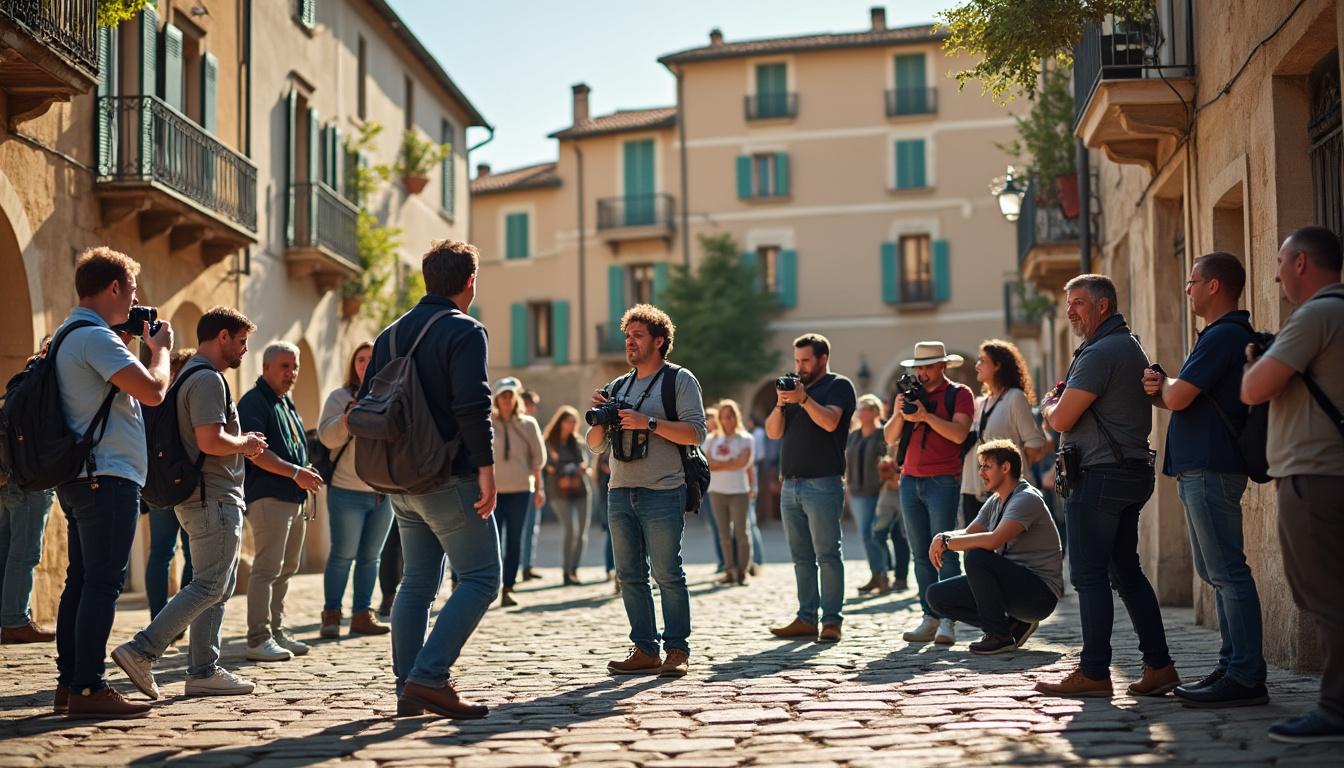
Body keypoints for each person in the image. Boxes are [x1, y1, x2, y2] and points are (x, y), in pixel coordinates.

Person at [359, 240, 497, 720]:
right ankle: (430, 676)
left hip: (401, 481)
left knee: (415, 582)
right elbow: (472, 406)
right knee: (481, 578)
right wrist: (486, 469)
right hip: (448, 476)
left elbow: (369, 406)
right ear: (469, 282)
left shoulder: (389, 335)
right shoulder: (465, 331)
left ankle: (407, 689)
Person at [1035, 274, 1179, 698]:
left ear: (1102, 306)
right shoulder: (1127, 344)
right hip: (1127, 471)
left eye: (1077, 302)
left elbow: (1060, 420)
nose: (1070, 311)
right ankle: (1160, 665)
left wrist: (1048, 405)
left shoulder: (1101, 353)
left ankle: (1095, 672)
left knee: (1089, 574)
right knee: (1125, 571)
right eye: (1068, 304)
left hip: (1099, 476)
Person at [112, 307, 265, 701]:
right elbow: (209, 441)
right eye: (242, 341)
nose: (244, 350)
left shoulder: (193, 377)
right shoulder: (208, 380)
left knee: (218, 584)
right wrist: (245, 444)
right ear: (222, 337)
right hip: (211, 498)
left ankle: (203, 670)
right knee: (209, 583)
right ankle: (142, 650)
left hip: (208, 497)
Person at [52, 247, 174, 718]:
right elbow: (154, 390)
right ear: (114, 288)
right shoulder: (95, 338)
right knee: (102, 583)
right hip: (107, 476)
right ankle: (88, 687)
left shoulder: (68, 333)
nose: (136, 300)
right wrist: (159, 350)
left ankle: (70, 683)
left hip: (84, 477)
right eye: (132, 290)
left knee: (81, 581)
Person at [1144, 252, 1267, 709]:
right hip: (1203, 466)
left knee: (1228, 574)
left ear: (1214, 286)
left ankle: (1246, 675)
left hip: (1212, 468)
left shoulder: (1223, 335)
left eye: (1193, 281)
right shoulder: (1222, 335)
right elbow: (1181, 399)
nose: (1188, 288)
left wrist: (1163, 384)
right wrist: (1167, 391)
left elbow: (1179, 395)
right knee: (1217, 574)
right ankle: (1232, 663)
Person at [1242, 226, 1344, 744]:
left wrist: (1258, 360)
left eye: (1281, 261)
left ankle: (1335, 709)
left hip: (1314, 476)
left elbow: (1253, 389)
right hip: (1330, 470)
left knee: (1325, 595)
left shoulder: (1315, 315)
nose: (1277, 272)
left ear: (1302, 263)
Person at [586, 304, 705, 678]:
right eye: (627, 336)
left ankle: (677, 649)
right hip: (620, 491)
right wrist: (600, 417)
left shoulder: (679, 380)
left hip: (662, 490)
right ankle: (644, 648)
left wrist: (648, 422)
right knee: (630, 575)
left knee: (668, 573)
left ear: (659, 341)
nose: (629, 342)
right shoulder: (617, 386)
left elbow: (696, 433)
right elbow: (594, 445)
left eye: (637, 336)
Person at [926, 439, 1063, 655]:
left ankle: (998, 635)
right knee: (937, 596)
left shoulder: (1026, 498)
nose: (981, 473)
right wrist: (943, 536)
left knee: (977, 557)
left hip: (1039, 595)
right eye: (980, 467)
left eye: (986, 466)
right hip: (1012, 586)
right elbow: (970, 533)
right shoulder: (996, 500)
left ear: (1006, 467)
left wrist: (947, 543)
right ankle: (1010, 627)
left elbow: (993, 540)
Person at [766, 334, 857, 643]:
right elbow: (773, 433)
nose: (800, 367)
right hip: (790, 484)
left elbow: (831, 422)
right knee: (801, 557)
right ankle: (806, 618)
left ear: (822, 359)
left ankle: (831, 621)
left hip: (823, 483)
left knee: (828, 555)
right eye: (796, 361)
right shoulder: (792, 389)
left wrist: (804, 399)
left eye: (805, 360)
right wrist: (781, 404)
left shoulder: (839, 386)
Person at [238, 341, 324, 662]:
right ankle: (257, 637)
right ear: (266, 368)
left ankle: (276, 629)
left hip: (293, 496)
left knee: (288, 567)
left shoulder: (285, 402)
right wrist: (295, 472)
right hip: (267, 497)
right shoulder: (253, 402)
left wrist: (305, 469)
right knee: (267, 569)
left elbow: (293, 448)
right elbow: (256, 452)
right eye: (285, 366)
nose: (291, 373)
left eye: (295, 367)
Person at [884, 341, 973, 646]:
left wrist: (925, 417)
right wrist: (899, 413)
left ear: (942, 366)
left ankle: (949, 619)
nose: (921, 372)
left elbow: (959, 433)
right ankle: (929, 617)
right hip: (909, 480)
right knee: (920, 554)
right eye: (918, 367)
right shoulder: (909, 395)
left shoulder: (959, 394)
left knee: (944, 551)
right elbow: (890, 437)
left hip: (943, 481)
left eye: (928, 366)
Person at [317, 342, 394, 638]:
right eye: (360, 359)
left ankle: (362, 614)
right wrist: (347, 419)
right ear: (353, 365)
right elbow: (326, 437)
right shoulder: (340, 397)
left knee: (370, 557)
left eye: (372, 359)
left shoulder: (392, 395)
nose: (365, 364)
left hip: (383, 492)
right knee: (342, 555)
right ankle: (331, 615)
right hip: (347, 490)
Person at [141, 348, 199, 656]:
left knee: (162, 553)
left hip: (157, 484)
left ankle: (160, 620)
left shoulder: (154, 399)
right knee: (190, 554)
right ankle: (175, 621)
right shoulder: (187, 397)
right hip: (184, 484)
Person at [960, 340, 1046, 527]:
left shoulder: (1014, 398)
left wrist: (1010, 472)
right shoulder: (979, 403)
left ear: (998, 365)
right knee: (973, 553)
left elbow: (1034, 446)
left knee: (1005, 550)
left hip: (1004, 492)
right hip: (971, 489)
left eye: (983, 361)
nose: (977, 365)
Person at [492, 377, 545, 607]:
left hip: (521, 490)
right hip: (492, 492)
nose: (505, 400)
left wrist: (539, 489)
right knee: (492, 543)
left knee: (514, 540)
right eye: (502, 396)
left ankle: (508, 587)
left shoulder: (528, 424)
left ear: (515, 399)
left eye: (509, 396)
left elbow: (537, 459)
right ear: (496, 399)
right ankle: (488, 587)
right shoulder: (487, 423)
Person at [705, 399, 755, 586]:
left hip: (739, 490)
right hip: (717, 491)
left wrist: (721, 465)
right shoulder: (711, 440)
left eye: (730, 416)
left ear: (736, 417)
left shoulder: (745, 439)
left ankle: (743, 571)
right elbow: (707, 464)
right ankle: (729, 570)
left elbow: (744, 463)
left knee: (742, 533)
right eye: (724, 416)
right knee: (724, 534)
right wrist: (731, 462)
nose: (727, 420)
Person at [542, 406, 590, 586]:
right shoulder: (549, 442)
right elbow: (548, 466)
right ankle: (565, 570)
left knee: (582, 533)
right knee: (570, 529)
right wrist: (567, 467)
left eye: (574, 422)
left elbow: (584, 461)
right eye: (568, 421)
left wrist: (578, 466)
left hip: (580, 488)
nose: (571, 425)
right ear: (560, 422)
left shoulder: (576, 442)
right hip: (558, 490)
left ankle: (573, 570)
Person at [846, 394, 889, 595]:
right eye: (860, 409)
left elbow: (888, 459)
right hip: (856, 490)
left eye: (866, 409)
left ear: (876, 412)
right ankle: (879, 574)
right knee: (868, 534)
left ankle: (882, 575)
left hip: (879, 490)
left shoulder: (882, 434)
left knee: (871, 533)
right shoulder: (853, 435)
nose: (861, 413)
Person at [873, 443, 910, 592]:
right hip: (888, 492)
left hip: (905, 492)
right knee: (878, 534)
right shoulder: (891, 434)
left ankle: (901, 578)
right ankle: (883, 574)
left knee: (901, 537)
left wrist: (896, 474)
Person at [519, 390, 545, 581]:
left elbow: (538, 462)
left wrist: (539, 488)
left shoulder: (531, 427)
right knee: (511, 532)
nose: (534, 409)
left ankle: (527, 566)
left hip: (530, 483)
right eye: (532, 404)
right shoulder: (513, 426)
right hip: (514, 486)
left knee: (531, 529)